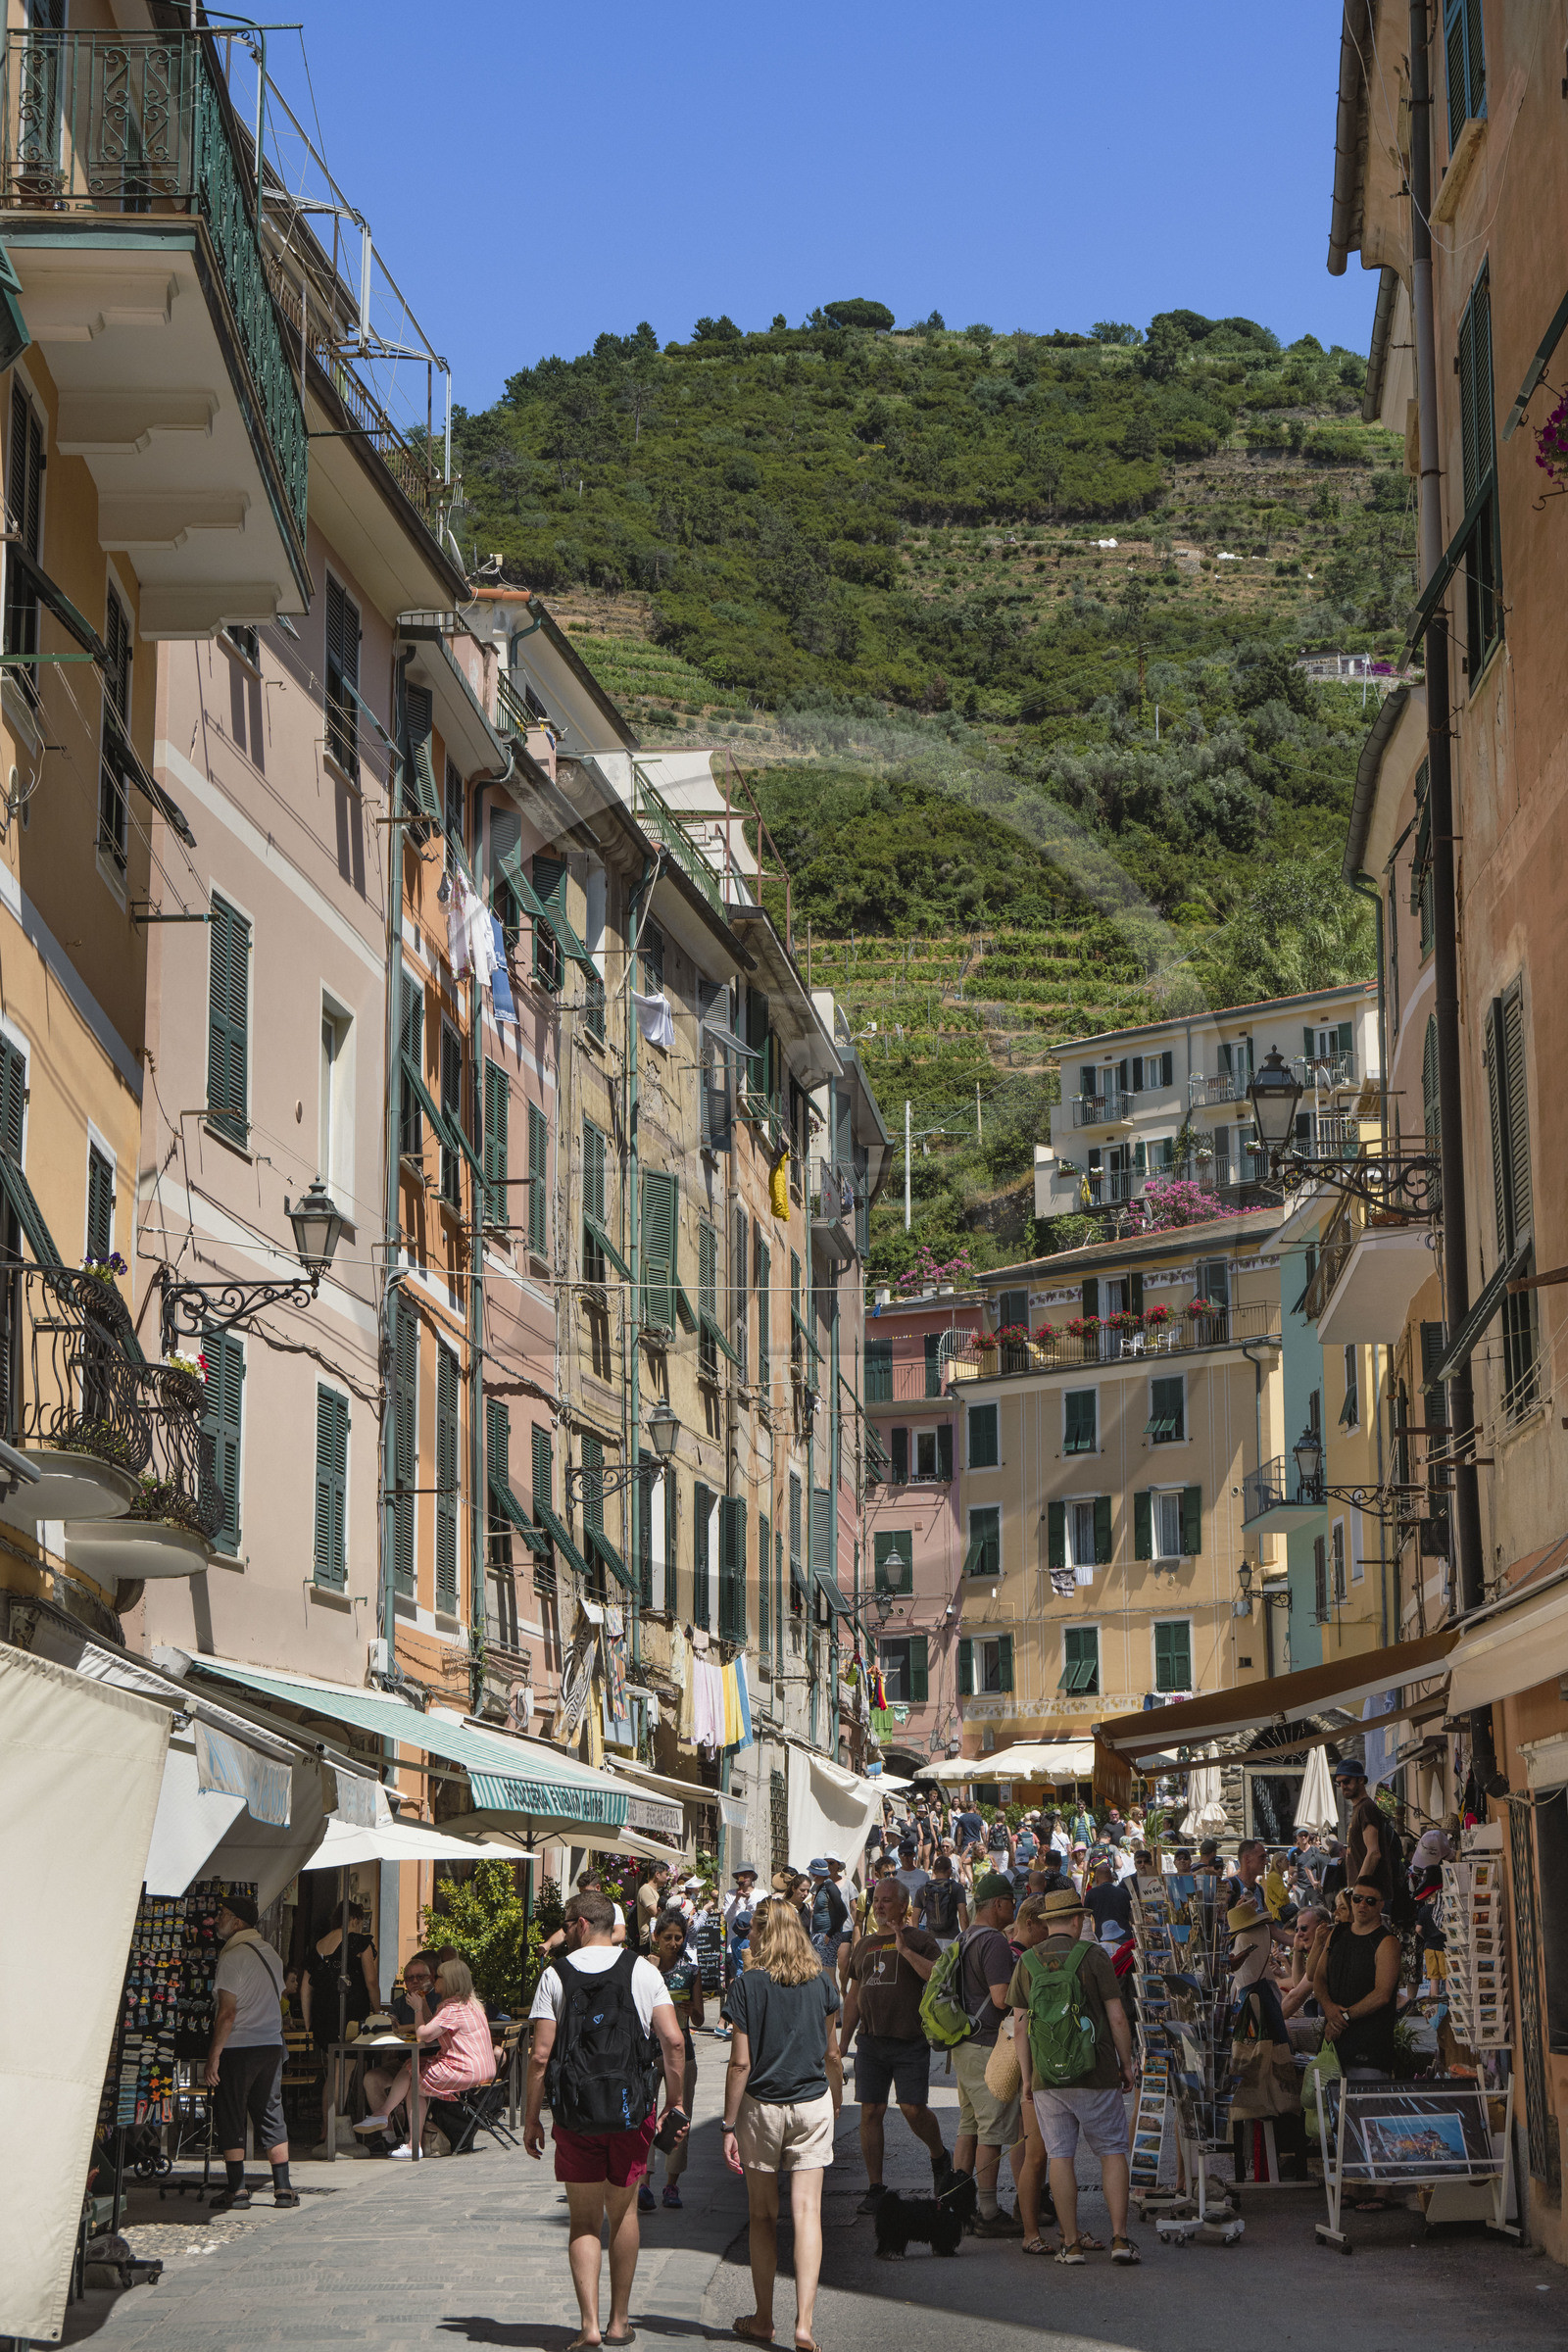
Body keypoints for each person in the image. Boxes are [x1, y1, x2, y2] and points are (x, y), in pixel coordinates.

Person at [524, 1891, 689, 2351]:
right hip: (631, 2112)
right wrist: (674, 2102)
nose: (563, 1933)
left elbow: (540, 2056)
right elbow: (674, 2041)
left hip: (576, 2115)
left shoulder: (555, 1974)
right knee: (623, 2213)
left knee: (583, 2221)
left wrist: (532, 2118)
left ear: (580, 1924)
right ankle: (619, 2323)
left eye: (565, 1925)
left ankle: (589, 2327)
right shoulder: (642, 1969)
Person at [724, 1895, 843, 2352]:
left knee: (762, 2215)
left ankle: (763, 2319)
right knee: (807, 2213)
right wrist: (836, 2098)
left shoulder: (746, 1986)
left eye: (752, 1931)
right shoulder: (821, 1983)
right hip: (812, 2102)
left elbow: (740, 2063)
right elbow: (832, 2053)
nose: (749, 1939)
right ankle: (805, 2324)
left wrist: (728, 2124)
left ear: (762, 1934)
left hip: (762, 2108)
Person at [1012, 1886, 1138, 2265]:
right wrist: (1126, 2064)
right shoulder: (1094, 1955)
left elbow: (1020, 2027)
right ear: (1077, 1919)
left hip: (1048, 2077)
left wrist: (1027, 2078)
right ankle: (1120, 2239)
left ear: (1049, 1922)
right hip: (1096, 2071)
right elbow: (1117, 2016)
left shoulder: (1027, 1962)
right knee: (1112, 2152)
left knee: (1060, 2156)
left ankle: (1070, 2244)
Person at [840, 1877, 949, 2214]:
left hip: (909, 2041)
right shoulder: (864, 1945)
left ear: (904, 1906)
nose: (879, 1906)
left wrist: (905, 1951)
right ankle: (876, 2187)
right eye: (876, 1900)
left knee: (912, 2108)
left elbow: (937, 1976)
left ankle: (940, 2156)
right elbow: (854, 1996)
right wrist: (841, 2044)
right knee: (870, 2111)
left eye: (887, 1900)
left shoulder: (921, 1940)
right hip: (871, 2042)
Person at [205, 1894, 297, 2211]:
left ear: (237, 1922)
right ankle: (283, 2189)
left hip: (239, 2047)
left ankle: (237, 2190)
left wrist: (214, 2055)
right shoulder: (271, 1954)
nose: (218, 1919)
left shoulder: (233, 1958)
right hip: (270, 2046)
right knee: (271, 2112)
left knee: (231, 2113)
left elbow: (227, 2013)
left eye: (223, 1914)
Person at [356, 1955, 496, 2155]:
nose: (432, 1980)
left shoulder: (451, 2009)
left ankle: (410, 2142)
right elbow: (428, 2028)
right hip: (483, 2068)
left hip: (465, 2069)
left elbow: (423, 2035)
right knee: (412, 2065)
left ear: (449, 1981)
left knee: (414, 2084)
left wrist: (417, 2009)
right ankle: (387, 2118)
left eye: (436, 1977)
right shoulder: (471, 2004)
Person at [950, 1872, 1025, 2235]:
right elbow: (999, 1998)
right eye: (1011, 1902)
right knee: (992, 2131)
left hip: (964, 2043)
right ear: (998, 1904)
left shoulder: (964, 1936)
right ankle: (988, 2212)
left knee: (969, 2125)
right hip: (986, 2045)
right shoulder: (994, 1940)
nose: (1014, 1908)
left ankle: (958, 2206)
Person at [301, 1897, 380, 2149]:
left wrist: (308, 2022)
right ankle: (332, 2128)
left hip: (322, 2016)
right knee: (343, 2074)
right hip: (349, 2016)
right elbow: (371, 1982)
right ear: (355, 1919)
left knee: (333, 2072)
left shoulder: (319, 1945)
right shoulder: (359, 1941)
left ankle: (327, 2127)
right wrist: (378, 2011)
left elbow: (305, 1988)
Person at [642, 1910, 704, 2211]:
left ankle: (671, 2183)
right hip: (649, 2051)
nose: (674, 1943)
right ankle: (644, 2182)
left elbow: (700, 2018)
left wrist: (693, 2010)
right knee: (645, 2114)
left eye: (678, 1937)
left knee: (679, 2117)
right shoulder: (644, 1969)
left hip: (682, 2052)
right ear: (656, 1937)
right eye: (667, 1937)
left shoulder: (691, 1971)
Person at [1313, 1884, 1401, 2079]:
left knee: (1364, 2097)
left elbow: (1382, 1994)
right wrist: (1328, 2007)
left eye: (1370, 1901)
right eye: (1357, 1898)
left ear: (1381, 1905)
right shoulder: (1337, 1933)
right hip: (1333, 2043)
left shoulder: (1387, 1942)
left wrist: (1341, 2018)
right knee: (1328, 2097)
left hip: (1369, 2049)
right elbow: (1318, 1978)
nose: (1362, 1905)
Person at [1334, 1763, 1392, 1902]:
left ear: (1360, 1780)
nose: (1343, 1786)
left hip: (1372, 1896)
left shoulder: (1366, 1808)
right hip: (1365, 1895)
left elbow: (1374, 1853)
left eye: (1346, 1781)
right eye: (1339, 1783)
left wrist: (1358, 1890)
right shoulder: (1358, 1809)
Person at [915, 1852, 967, 1946]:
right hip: (951, 1938)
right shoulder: (957, 1888)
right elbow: (962, 1915)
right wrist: (966, 1937)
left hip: (930, 1938)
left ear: (934, 1871)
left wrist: (916, 1939)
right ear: (950, 1871)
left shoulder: (923, 1890)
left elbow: (915, 1917)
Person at [806, 1857, 850, 1968]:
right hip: (818, 1934)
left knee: (827, 1971)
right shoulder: (820, 1887)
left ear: (816, 1874)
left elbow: (843, 1913)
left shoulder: (830, 1886)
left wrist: (829, 1934)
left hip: (826, 1935)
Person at [1086, 1859, 1132, 1938]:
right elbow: (1131, 1916)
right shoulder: (1124, 1893)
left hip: (1103, 1937)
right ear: (1112, 1879)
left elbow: (1086, 1918)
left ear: (1096, 1879)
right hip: (1124, 1936)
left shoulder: (1091, 1894)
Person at [637, 1861, 672, 1953]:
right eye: (666, 1874)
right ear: (657, 1874)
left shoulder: (654, 1891)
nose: (667, 1878)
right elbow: (657, 1913)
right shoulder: (645, 1890)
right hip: (648, 1942)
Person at [893, 1839, 929, 1909]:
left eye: (909, 1854)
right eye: (903, 1854)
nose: (906, 1858)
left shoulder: (923, 1876)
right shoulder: (894, 1875)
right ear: (899, 1855)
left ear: (914, 1855)